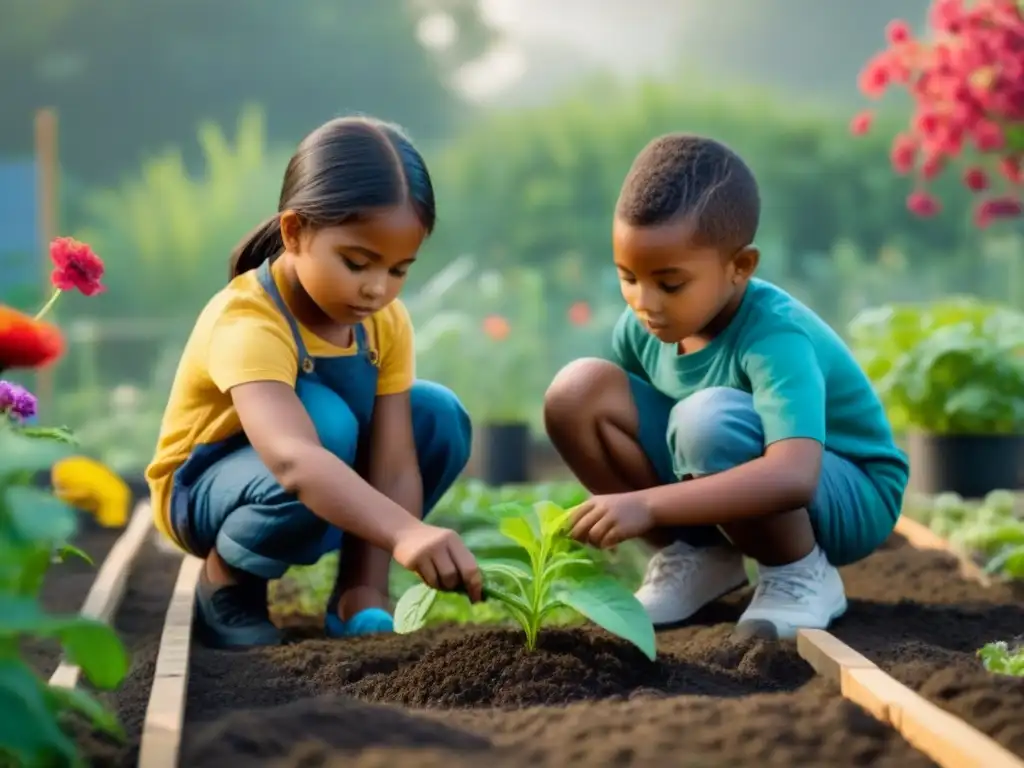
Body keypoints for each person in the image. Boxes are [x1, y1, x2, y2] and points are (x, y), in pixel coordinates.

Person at [544, 134, 909, 640]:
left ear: (740, 267)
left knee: (706, 420)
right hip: (732, 467)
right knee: (577, 393)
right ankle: (698, 556)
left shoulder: (775, 336)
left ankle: (799, 571)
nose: (644, 301)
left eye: (670, 284)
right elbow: (630, 431)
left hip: (848, 488)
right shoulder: (641, 329)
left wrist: (646, 504)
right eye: (628, 277)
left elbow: (794, 475)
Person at [145, 116, 482, 650]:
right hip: (207, 489)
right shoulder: (249, 320)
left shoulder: (384, 322)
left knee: (437, 417)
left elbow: (394, 462)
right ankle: (229, 581)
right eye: (357, 262)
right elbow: (292, 458)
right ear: (294, 232)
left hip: (314, 476)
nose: (377, 288)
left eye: (399, 270)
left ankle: (359, 595)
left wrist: (389, 556)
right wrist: (405, 532)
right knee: (325, 423)